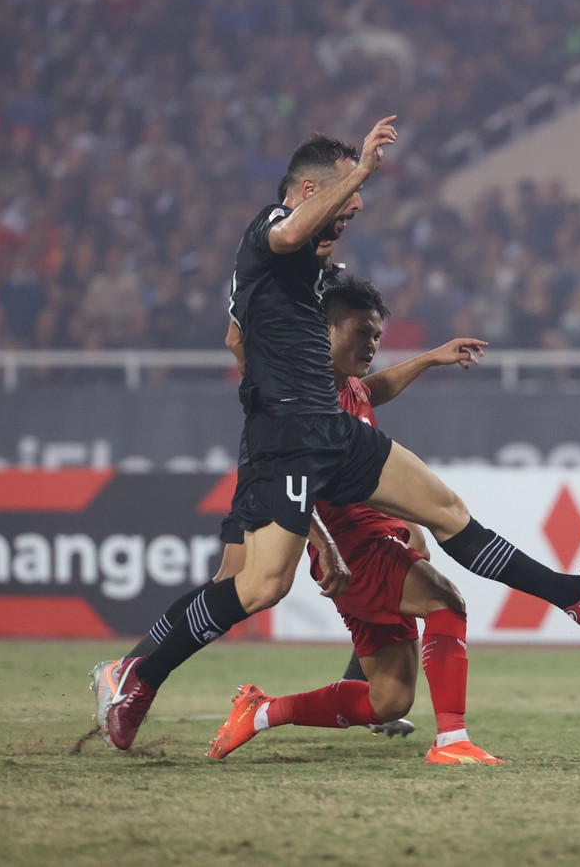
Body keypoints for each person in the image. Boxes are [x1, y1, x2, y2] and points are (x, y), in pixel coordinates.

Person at [98, 121, 580, 752]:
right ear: (308, 188)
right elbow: (282, 252)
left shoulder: (304, 270)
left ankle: (575, 593)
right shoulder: (270, 227)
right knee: (259, 586)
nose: (352, 211)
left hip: (325, 431)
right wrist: (361, 171)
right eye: (345, 199)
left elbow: (237, 338)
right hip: (291, 437)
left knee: (446, 512)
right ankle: (138, 670)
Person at [207, 276, 502, 764]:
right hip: (356, 547)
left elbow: (374, 389)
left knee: (388, 700)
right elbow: (293, 488)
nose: (371, 345)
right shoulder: (309, 397)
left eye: (377, 337)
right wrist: (324, 546)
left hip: (366, 544)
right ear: (324, 332)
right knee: (447, 601)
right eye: (361, 333)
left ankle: (260, 712)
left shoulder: (350, 390)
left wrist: (430, 358)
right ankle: (453, 742)